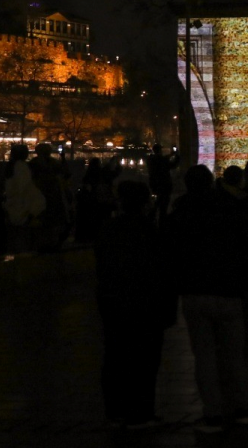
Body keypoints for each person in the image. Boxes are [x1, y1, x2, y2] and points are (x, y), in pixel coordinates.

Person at [167, 165, 248, 432]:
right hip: (227, 290)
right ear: (211, 183)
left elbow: (170, 254)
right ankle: (243, 407)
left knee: (204, 356)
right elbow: (246, 246)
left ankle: (212, 413)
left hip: (194, 292)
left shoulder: (179, 213)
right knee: (234, 354)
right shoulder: (228, 209)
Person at [95, 181, 173, 429]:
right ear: (145, 203)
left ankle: (115, 410)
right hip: (145, 304)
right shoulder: (149, 230)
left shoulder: (108, 229)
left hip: (114, 302)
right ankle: (140, 412)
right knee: (144, 360)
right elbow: (160, 271)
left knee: (115, 356)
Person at [147, 144, 179, 223]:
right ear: (159, 150)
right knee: (163, 205)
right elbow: (172, 165)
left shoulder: (151, 159)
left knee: (157, 202)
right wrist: (176, 156)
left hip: (155, 184)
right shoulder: (161, 160)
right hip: (164, 184)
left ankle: (152, 218)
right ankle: (161, 222)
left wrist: (171, 155)